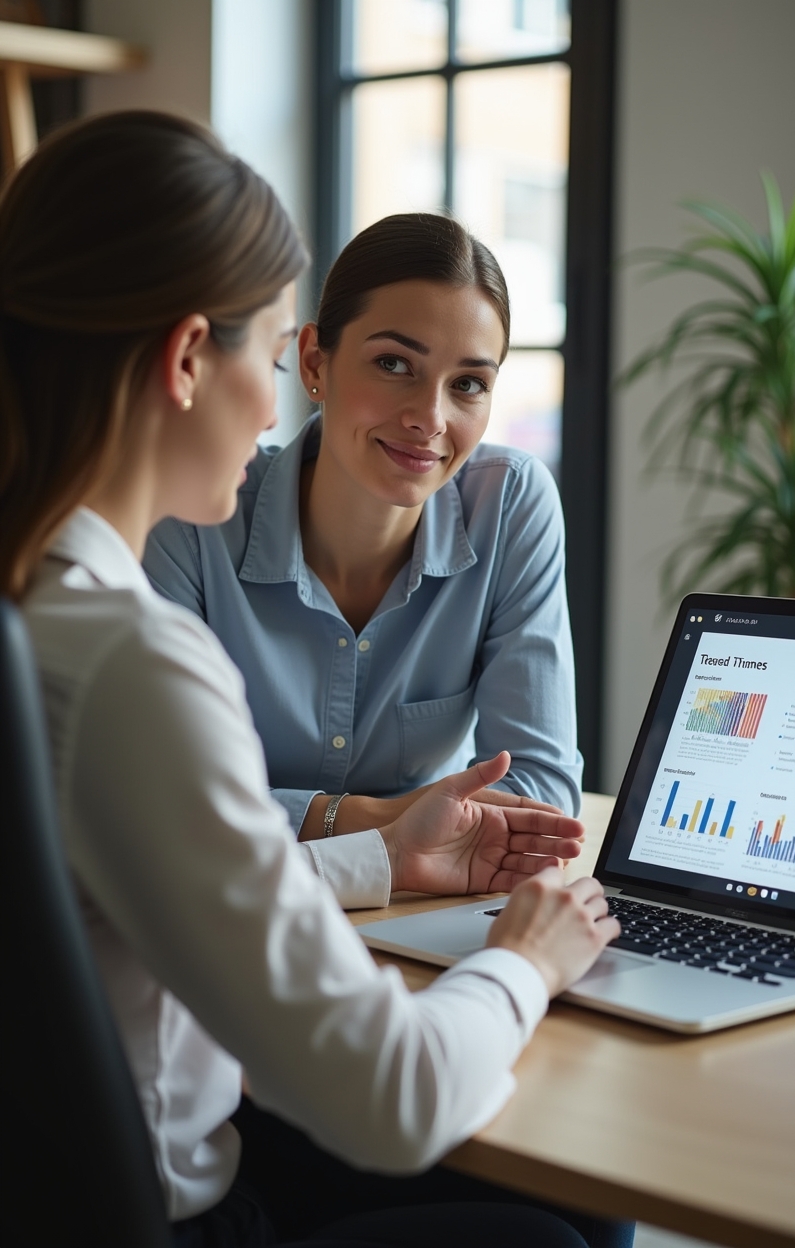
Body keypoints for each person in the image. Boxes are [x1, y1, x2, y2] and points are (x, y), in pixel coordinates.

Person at [0, 111, 631, 1248]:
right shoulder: (131, 661)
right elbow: (393, 1099)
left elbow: (161, 863)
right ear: (193, 358)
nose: (271, 411)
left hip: (107, 1176)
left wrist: (381, 852)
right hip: (173, 1209)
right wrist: (524, 962)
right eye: (274, 347)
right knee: (557, 1236)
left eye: (470, 384)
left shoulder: (40, 609)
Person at [144, 212, 582, 841]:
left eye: (467, 383)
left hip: (423, 904)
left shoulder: (509, 505)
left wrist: (297, 818)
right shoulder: (193, 518)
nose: (429, 418)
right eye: (394, 365)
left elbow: (539, 791)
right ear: (314, 362)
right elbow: (162, 795)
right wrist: (382, 824)